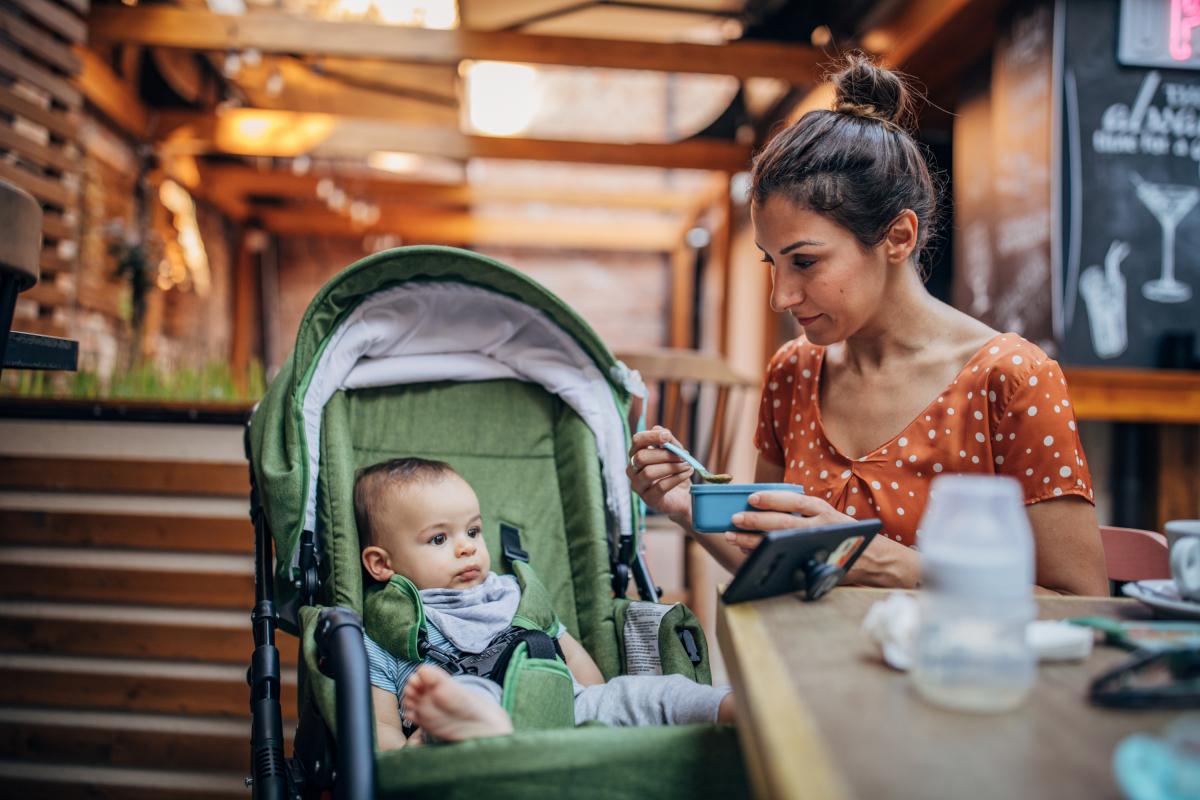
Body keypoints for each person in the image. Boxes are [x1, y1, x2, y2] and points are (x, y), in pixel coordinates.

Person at [627, 53, 1109, 597]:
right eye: (771, 262)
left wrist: (885, 561)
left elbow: (1080, 602)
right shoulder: (794, 372)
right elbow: (772, 566)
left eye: (804, 262)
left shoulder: (1012, 379)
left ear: (898, 238)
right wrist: (686, 507)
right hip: (805, 677)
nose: (781, 296)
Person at [355, 457, 734, 749]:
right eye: (439, 539)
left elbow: (582, 672)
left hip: (565, 709)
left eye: (472, 531)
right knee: (462, 694)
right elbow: (382, 728)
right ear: (381, 563)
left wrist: (603, 703)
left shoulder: (514, 593)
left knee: (644, 694)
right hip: (474, 731)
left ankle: (725, 709)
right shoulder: (388, 631)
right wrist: (408, 748)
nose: (467, 546)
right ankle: (480, 723)